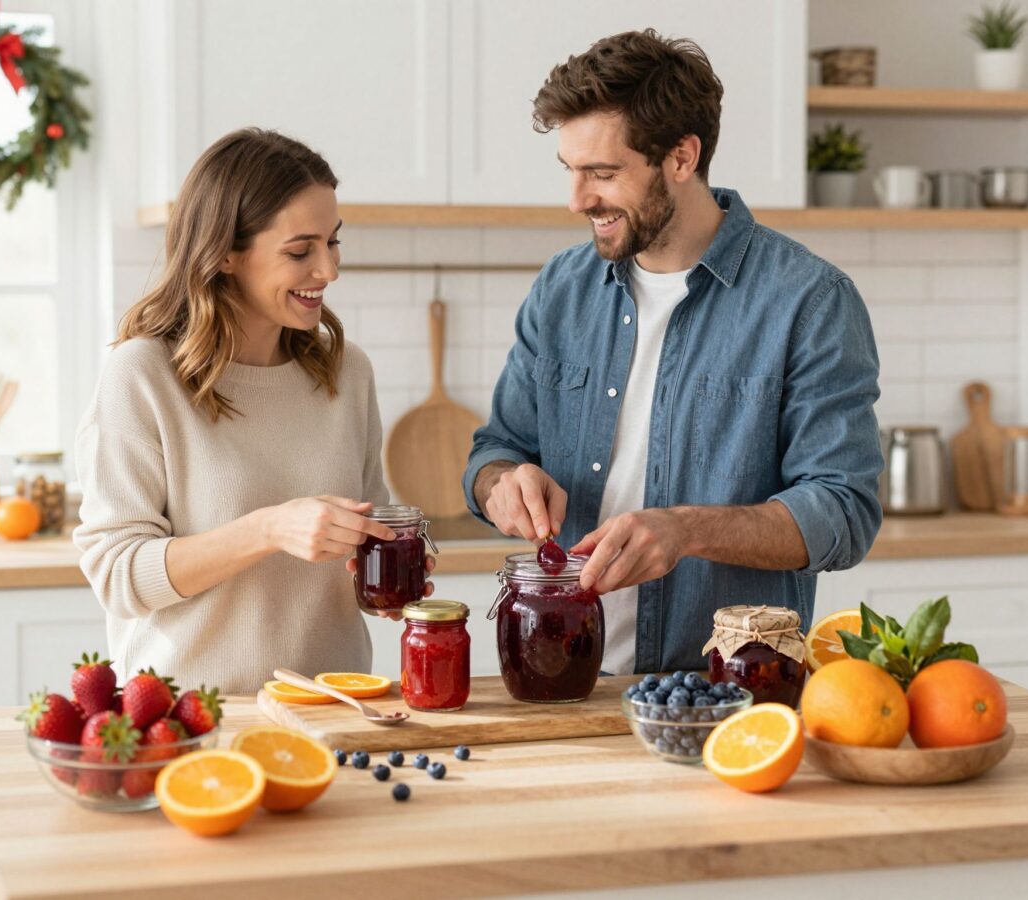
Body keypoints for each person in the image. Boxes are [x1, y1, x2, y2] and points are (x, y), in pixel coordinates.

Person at [464, 30, 883, 676]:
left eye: (602, 174)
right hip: (571, 687)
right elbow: (495, 450)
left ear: (681, 158)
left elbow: (844, 512)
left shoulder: (811, 301)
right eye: (571, 172)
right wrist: (502, 485)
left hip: (727, 701)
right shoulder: (561, 289)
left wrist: (686, 530)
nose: (577, 200)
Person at [74, 128, 432, 693]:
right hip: (194, 720)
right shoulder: (142, 374)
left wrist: (385, 578)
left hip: (333, 708)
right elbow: (118, 576)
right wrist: (269, 528)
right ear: (224, 253)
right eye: (300, 251)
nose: (329, 271)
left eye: (333, 243)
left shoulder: (347, 373)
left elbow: (365, 529)